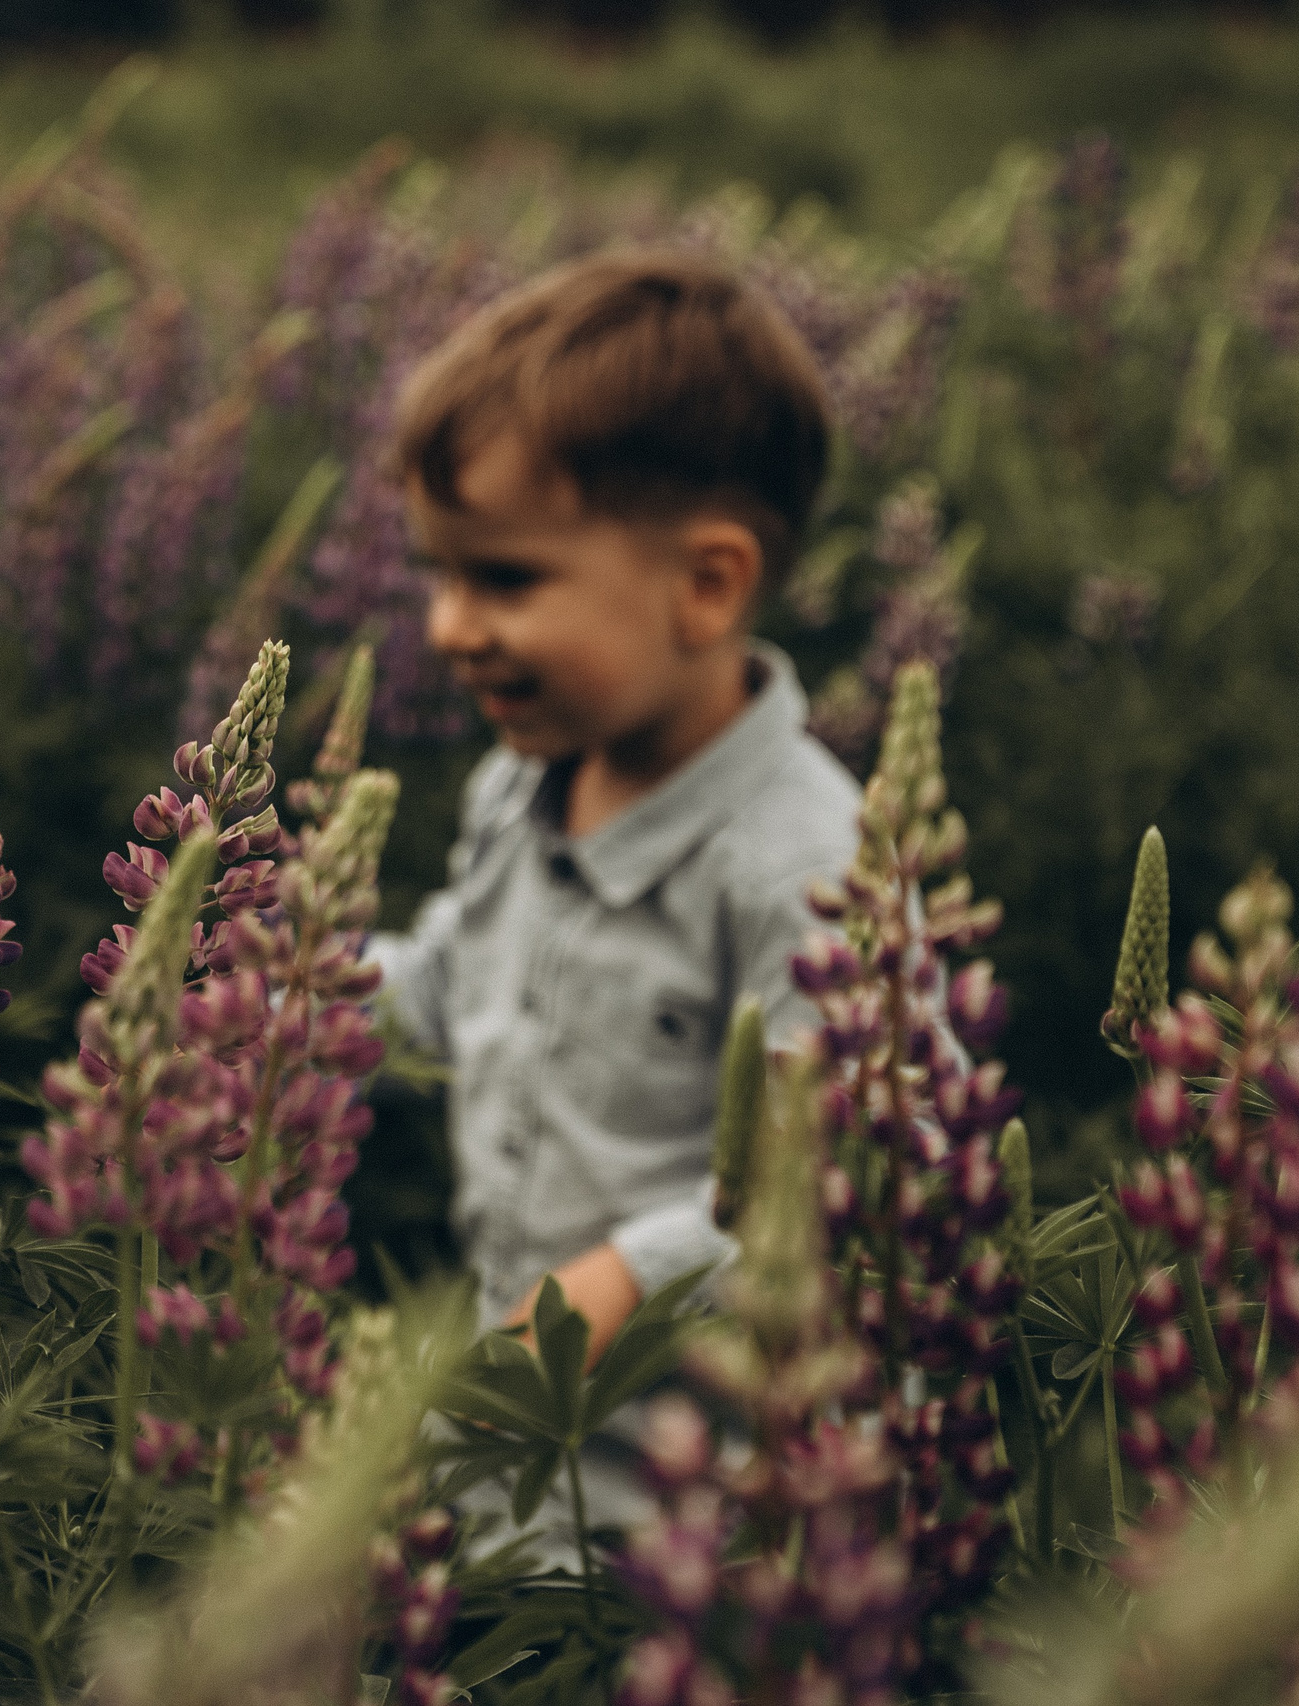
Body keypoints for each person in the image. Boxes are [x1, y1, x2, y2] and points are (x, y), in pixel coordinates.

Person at [370, 247, 862, 1552]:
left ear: (707, 585)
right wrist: (281, 994)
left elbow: (828, 1169)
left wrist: (619, 1284)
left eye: (505, 579)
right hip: (506, 1458)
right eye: (439, 573)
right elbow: (446, 981)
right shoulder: (516, 787)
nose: (448, 626)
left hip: (705, 1505)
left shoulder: (810, 866)